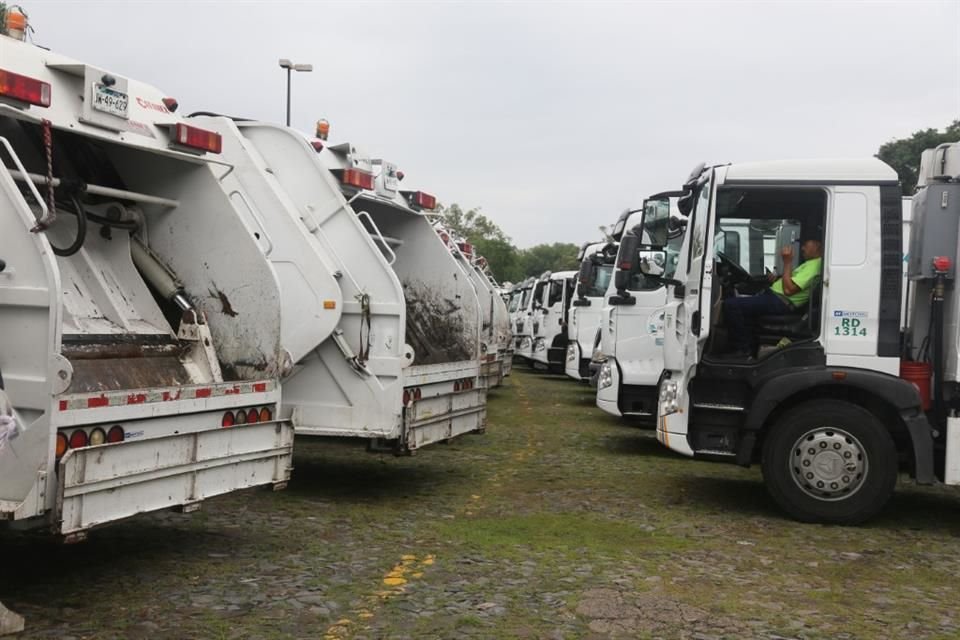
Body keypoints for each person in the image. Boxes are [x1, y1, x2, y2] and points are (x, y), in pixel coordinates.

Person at [723, 238, 823, 358]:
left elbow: (789, 290)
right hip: (775, 297)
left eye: (806, 244)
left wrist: (787, 262)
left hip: (781, 301)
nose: (802, 248)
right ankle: (749, 348)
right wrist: (777, 279)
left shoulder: (815, 266)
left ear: (817, 245)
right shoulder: (811, 264)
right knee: (744, 308)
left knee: (731, 305)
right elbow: (791, 281)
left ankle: (741, 350)